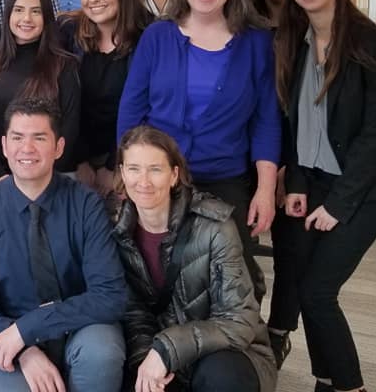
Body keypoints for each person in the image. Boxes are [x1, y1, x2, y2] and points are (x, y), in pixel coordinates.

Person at [116, 0, 280, 301]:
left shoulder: (256, 42)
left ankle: (236, 350)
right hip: (159, 180)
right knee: (160, 275)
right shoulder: (157, 36)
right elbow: (131, 111)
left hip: (225, 178)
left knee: (236, 281)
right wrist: (130, 174)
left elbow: (266, 119)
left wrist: (266, 189)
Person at [277, 0, 376, 392]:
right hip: (310, 183)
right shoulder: (294, 42)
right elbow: (293, 124)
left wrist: (338, 204)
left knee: (317, 292)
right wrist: (294, 183)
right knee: (309, 292)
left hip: (361, 191)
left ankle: (350, 386)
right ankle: (327, 380)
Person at [0, 97, 127, 392]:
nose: (27, 148)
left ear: (58, 147)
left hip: (80, 326)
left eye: (39, 138)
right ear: (4, 145)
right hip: (9, 331)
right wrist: (23, 346)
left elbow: (110, 295)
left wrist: (30, 327)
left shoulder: (85, 203)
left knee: (102, 353)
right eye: (18, 138)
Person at [112, 125, 277, 392]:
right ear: (122, 173)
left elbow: (239, 320)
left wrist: (168, 348)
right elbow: (134, 313)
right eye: (133, 168)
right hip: (162, 353)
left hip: (228, 351)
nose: (143, 181)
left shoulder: (214, 227)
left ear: (174, 175)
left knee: (221, 376)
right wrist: (147, 359)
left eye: (155, 169)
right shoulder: (119, 233)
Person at [247, 0, 299, 368]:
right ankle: (246, 324)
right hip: (256, 149)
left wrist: (288, 167)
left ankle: (279, 329)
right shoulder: (247, 23)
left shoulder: (313, 23)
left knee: (290, 248)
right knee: (242, 246)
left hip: (300, 153)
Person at [0, 0, 80, 182]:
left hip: (51, 176)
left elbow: (70, 127)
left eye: (36, 11)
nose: (26, 18)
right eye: (19, 10)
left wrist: (42, 176)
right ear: (8, 14)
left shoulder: (64, 65)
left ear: (46, 17)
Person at [61, 0, 153, 195]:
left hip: (132, 156)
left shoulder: (149, 35)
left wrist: (114, 165)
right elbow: (60, 102)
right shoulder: (68, 32)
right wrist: (79, 160)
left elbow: (149, 108)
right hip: (77, 156)